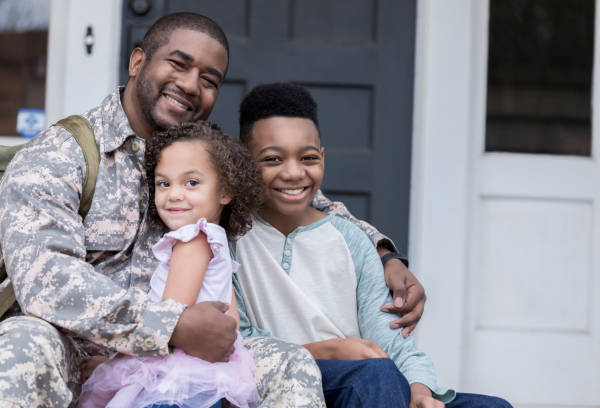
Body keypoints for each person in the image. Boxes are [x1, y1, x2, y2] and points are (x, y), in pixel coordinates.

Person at [0, 11, 422, 407]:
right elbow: (46, 279)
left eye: (209, 79)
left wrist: (383, 252)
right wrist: (170, 326)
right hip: (78, 351)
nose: (189, 85)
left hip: (190, 351)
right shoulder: (62, 154)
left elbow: (296, 193)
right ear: (137, 63)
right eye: (178, 65)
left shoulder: (205, 159)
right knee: (23, 342)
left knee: (292, 364)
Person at [233, 82, 514, 408]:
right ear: (245, 163)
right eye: (273, 159)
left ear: (323, 157)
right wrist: (334, 350)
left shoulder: (351, 239)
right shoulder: (231, 238)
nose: (294, 173)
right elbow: (242, 341)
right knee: (373, 375)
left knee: (493, 407)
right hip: (297, 383)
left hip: (372, 384)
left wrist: (421, 393)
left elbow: (392, 344)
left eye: (308, 157)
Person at [79, 122, 261, 407]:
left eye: (191, 182)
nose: (174, 194)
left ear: (225, 191)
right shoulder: (216, 240)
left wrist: (110, 361)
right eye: (164, 183)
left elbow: (168, 318)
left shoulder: (191, 241)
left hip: (176, 375)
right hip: (209, 375)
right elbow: (231, 322)